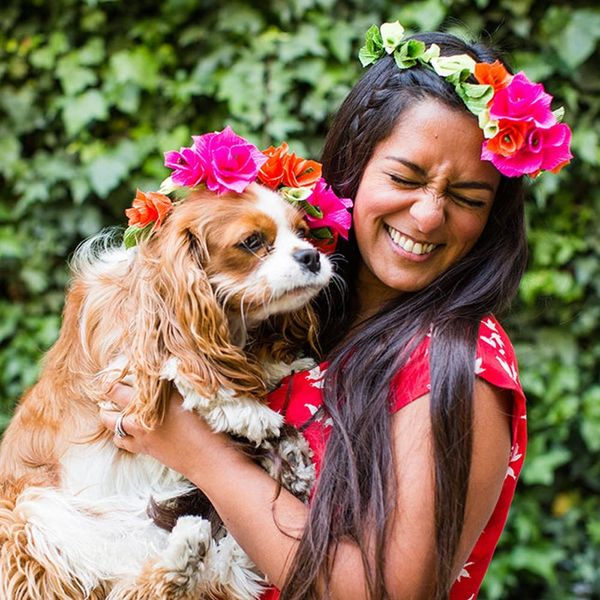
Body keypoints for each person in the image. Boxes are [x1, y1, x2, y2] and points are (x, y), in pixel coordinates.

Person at [100, 23, 572, 600]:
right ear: (353, 164)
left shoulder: (457, 363)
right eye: (404, 177)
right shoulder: (288, 311)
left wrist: (199, 452)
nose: (428, 216)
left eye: (467, 198)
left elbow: (385, 592)